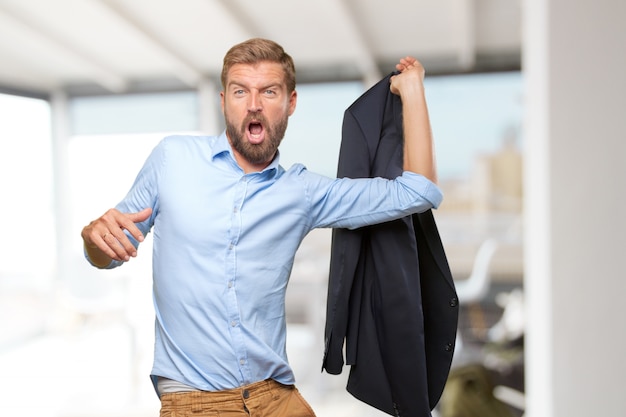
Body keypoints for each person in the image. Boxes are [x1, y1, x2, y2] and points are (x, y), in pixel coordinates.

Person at [81, 38, 441, 417]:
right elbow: (106, 254)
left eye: (268, 91)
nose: (254, 104)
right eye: (240, 91)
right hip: (195, 402)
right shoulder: (172, 159)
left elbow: (418, 191)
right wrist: (94, 237)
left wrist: (412, 91)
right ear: (223, 101)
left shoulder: (301, 192)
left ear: (291, 102)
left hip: (278, 397)